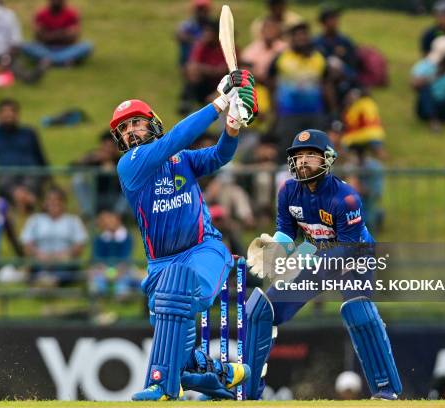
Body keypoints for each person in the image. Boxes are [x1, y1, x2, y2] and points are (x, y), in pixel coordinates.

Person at [109, 70, 258, 400]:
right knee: (172, 319)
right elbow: (175, 138)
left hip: (204, 249)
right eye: (124, 128)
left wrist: (231, 127)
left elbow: (220, 155)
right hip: (161, 264)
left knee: (176, 299)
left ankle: (162, 386)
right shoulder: (129, 166)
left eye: (136, 122)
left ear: (152, 123)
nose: (131, 131)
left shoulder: (182, 160)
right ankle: (219, 374)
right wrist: (219, 103)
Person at [244, 129, 401, 400]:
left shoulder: (346, 198)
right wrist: (274, 250)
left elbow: (345, 249)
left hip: (354, 254)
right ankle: (247, 392)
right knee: (261, 311)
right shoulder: (288, 191)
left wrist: (299, 259)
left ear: (327, 160)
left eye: (310, 156)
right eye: (298, 156)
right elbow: (286, 230)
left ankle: (386, 391)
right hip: (316, 248)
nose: (303, 161)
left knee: (358, 312)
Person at [267, 22, 335, 162]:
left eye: (304, 35)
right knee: (287, 150)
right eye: (297, 35)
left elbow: (327, 84)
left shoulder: (319, 58)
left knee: (316, 150)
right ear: (291, 38)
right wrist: (274, 108)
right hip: (288, 114)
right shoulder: (282, 58)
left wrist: (333, 110)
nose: (301, 38)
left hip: (315, 114)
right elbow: (270, 82)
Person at [0, 99, 49, 213]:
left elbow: (40, 156)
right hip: (7, 174)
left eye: (12, 111)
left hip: (30, 172)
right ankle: (27, 201)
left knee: (32, 177)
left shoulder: (29, 133)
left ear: (17, 114)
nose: (9, 114)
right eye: (5, 111)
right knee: (6, 180)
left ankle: (25, 201)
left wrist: (48, 176)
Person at [20, 187, 87, 286]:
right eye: (50, 200)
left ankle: (48, 282)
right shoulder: (35, 219)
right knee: (33, 267)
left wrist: (66, 254)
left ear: (64, 203)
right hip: (41, 260)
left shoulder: (73, 220)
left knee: (67, 268)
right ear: (45, 203)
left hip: (64, 262)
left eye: (57, 200)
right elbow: (26, 244)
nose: (53, 203)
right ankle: (46, 281)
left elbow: (80, 245)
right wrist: (38, 254)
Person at [20, 0, 93, 67]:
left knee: (87, 46)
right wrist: (62, 33)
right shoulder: (41, 14)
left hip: (66, 48)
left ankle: (48, 61)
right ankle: (63, 61)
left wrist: (50, 35)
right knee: (25, 46)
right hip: (46, 48)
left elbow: (73, 36)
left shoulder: (72, 14)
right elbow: (38, 36)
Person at [88, 209, 138, 297]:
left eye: (109, 219)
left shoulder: (126, 238)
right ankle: (99, 294)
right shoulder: (100, 239)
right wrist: (104, 269)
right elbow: (96, 257)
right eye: (103, 220)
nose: (106, 222)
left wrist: (118, 270)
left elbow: (126, 257)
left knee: (126, 278)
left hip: (122, 269)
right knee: (94, 276)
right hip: (103, 269)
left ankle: (122, 295)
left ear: (117, 220)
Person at [185, 20, 229, 109]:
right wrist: (209, 70)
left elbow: (221, 71)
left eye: (209, 31)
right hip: (205, 82)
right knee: (193, 73)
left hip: (222, 84)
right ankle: (190, 101)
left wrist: (201, 68)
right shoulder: (201, 45)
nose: (206, 34)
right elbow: (192, 66)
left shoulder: (226, 47)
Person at [241, 18, 287, 85]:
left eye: (273, 28)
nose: (270, 31)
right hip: (257, 84)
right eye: (267, 28)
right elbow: (244, 69)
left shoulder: (284, 48)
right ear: (262, 31)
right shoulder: (251, 49)